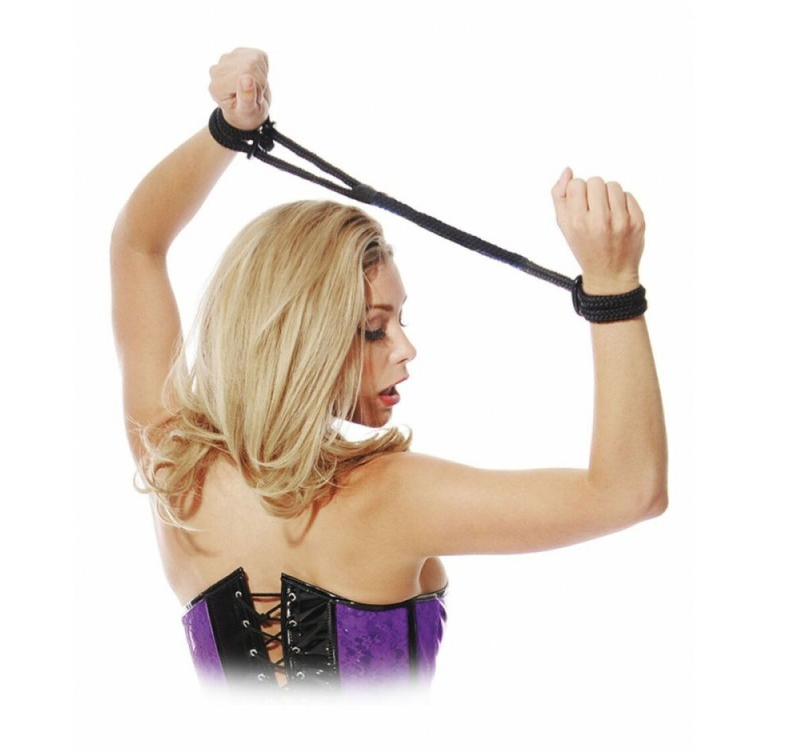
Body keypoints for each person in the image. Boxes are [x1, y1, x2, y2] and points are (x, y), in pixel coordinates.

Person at [111, 47, 667, 691]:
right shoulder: (394, 496)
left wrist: (226, 131)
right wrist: (614, 285)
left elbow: (136, 245)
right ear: (302, 337)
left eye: (400, 321)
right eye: (375, 327)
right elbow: (629, 492)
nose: (406, 349)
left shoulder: (177, 470)